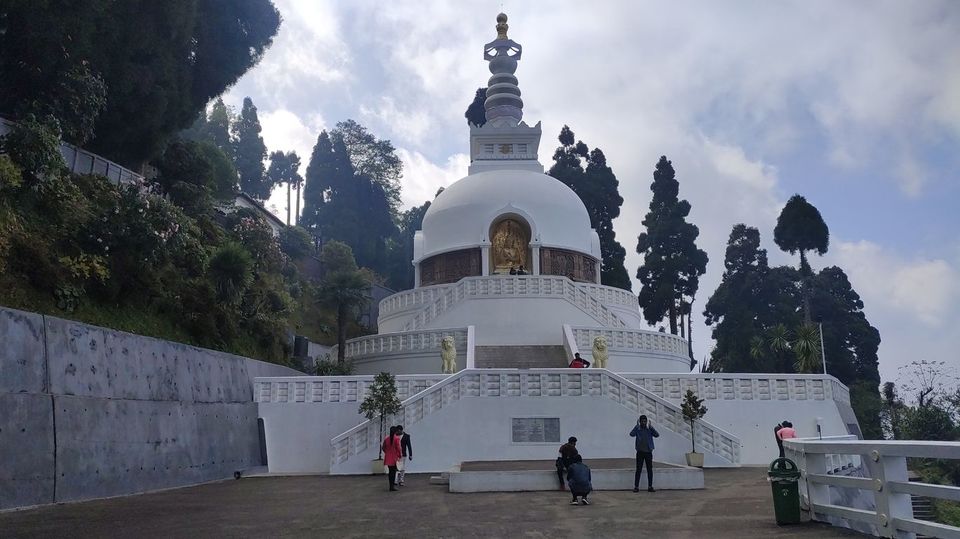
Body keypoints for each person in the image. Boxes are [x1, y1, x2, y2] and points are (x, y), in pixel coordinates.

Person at [629, 415, 659, 492]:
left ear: (646, 422)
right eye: (642, 421)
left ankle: (650, 486)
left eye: (645, 421)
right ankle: (636, 487)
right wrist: (636, 426)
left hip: (648, 452)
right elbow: (631, 434)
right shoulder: (638, 429)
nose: (643, 422)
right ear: (640, 421)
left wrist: (651, 427)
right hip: (640, 452)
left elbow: (657, 435)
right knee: (638, 469)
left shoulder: (649, 430)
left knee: (650, 469)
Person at [382, 426, 402, 491]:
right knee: (393, 472)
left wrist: (387, 453)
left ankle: (391, 485)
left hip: (388, 458)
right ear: (395, 431)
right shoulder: (396, 438)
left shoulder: (386, 439)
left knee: (390, 472)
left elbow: (383, 448)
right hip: (394, 458)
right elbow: (398, 448)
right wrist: (399, 455)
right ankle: (392, 486)